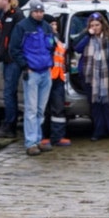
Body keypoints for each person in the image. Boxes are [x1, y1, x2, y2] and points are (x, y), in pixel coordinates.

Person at [9, 0, 55, 156]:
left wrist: (51, 63)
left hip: (45, 72)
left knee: (40, 110)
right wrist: (25, 66)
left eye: (41, 11)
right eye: (36, 11)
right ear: (31, 12)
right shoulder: (22, 27)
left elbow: (52, 46)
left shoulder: (46, 27)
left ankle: (37, 139)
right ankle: (30, 142)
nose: (39, 14)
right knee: (31, 110)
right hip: (32, 72)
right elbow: (14, 49)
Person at [74, 13, 109, 140]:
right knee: (95, 105)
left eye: (97, 25)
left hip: (105, 75)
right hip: (89, 75)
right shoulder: (86, 37)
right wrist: (88, 35)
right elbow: (77, 49)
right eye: (92, 25)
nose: (95, 27)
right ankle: (98, 131)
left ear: (102, 25)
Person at [0, 0, 23, 138]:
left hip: (12, 60)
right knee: (7, 93)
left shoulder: (16, 15)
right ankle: (8, 122)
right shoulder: (5, 15)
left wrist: (10, 54)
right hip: (6, 59)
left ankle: (10, 125)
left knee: (9, 92)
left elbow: (17, 39)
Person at [41, 14, 71, 148]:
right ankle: (43, 136)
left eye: (55, 24)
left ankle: (58, 136)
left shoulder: (58, 38)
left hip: (58, 77)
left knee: (58, 109)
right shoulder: (44, 37)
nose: (55, 26)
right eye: (51, 24)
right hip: (47, 76)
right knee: (44, 109)